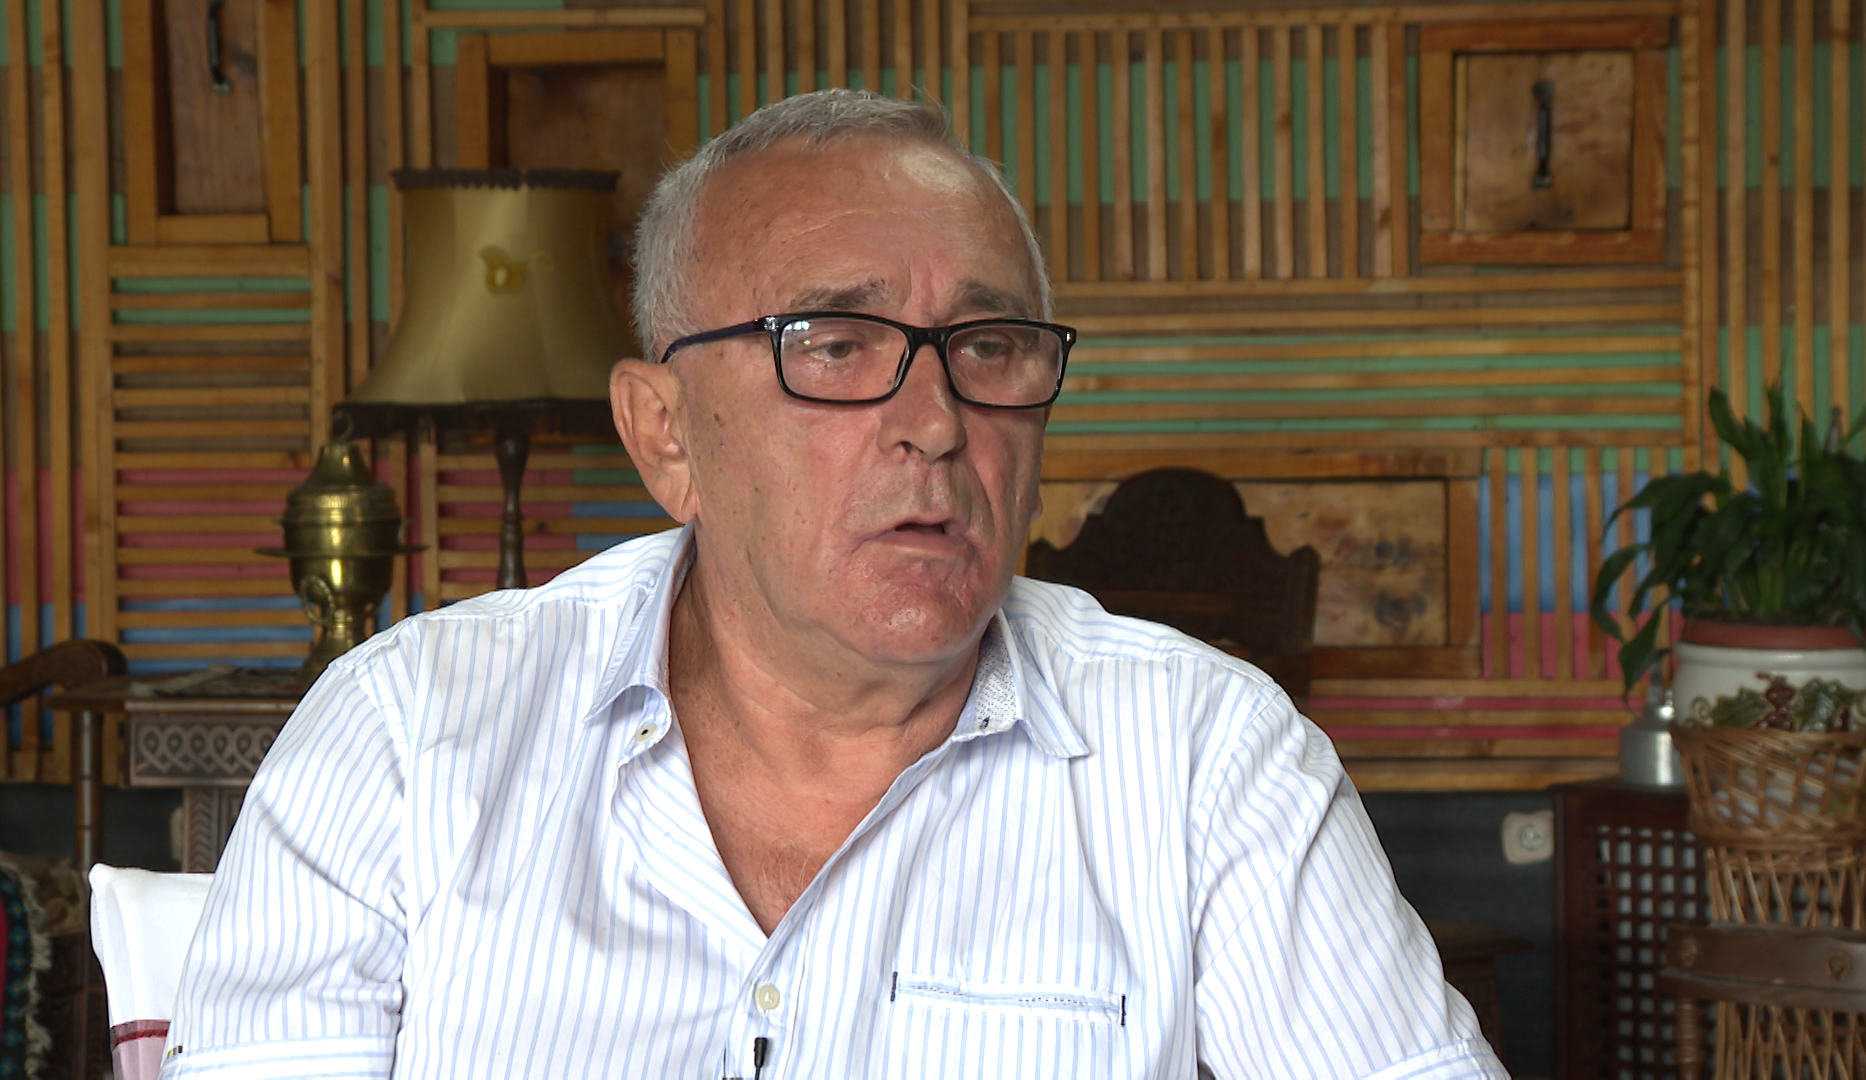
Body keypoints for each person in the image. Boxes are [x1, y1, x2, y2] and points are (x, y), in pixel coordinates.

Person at [160, 89, 1505, 1080]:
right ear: (665, 435)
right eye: (838, 344)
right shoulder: (404, 739)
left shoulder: (1208, 758)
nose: (936, 422)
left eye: (989, 345)